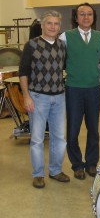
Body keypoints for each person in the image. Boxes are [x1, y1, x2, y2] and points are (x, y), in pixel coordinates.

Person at [19, 10, 70, 188]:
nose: (53, 27)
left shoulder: (62, 46)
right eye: (49, 23)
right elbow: (23, 73)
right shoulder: (31, 45)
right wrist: (26, 96)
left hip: (59, 97)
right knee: (37, 138)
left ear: (60, 26)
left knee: (59, 137)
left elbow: (62, 70)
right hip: (38, 97)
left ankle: (55, 170)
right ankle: (38, 173)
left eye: (56, 24)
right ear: (42, 25)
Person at [59, 3, 100, 180]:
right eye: (82, 14)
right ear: (76, 17)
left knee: (93, 129)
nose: (86, 17)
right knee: (73, 129)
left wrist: (97, 77)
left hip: (93, 89)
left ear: (93, 17)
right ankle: (77, 164)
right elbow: (59, 59)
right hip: (73, 88)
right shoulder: (66, 36)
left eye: (89, 14)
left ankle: (92, 163)